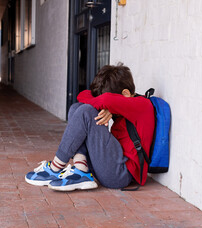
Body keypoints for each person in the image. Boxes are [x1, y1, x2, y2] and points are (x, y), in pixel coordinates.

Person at [25, 64, 155, 191]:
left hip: (120, 174)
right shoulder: (126, 105)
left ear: (126, 94)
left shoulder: (142, 105)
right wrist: (110, 107)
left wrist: (109, 106)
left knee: (86, 111)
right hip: (110, 163)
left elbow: (105, 100)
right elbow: (83, 95)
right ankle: (81, 170)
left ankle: (55, 168)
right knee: (76, 108)